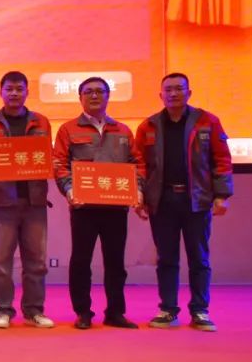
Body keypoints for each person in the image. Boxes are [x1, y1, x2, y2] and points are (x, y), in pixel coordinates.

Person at [134, 73, 233, 332]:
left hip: (196, 200)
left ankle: (200, 310)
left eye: (179, 89)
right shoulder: (149, 126)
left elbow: (222, 160)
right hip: (162, 200)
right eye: (168, 90)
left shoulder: (207, 121)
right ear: (161, 95)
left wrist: (221, 195)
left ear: (189, 93)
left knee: (199, 258)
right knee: (166, 258)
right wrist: (139, 195)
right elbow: (140, 165)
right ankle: (168, 310)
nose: (173, 94)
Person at [52, 76, 144, 330]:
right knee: (81, 262)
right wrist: (69, 189)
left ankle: (115, 312)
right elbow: (59, 164)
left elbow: (137, 164)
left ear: (108, 96)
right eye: (89, 92)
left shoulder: (122, 130)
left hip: (116, 207)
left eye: (100, 91)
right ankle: (83, 312)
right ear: (80, 97)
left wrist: (138, 190)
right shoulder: (68, 130)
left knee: (116, 262)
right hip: (84, 208)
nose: (94, 96)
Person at [0, 71, 54, 329]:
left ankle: (34, 310)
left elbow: (47, 156)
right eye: (9, 89)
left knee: (36, 262)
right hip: (2, 202)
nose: (14, 93)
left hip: (35, 202)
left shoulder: (41, 122)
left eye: (19, 89)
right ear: (1, 92)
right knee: (1, 262)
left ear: (27, 92)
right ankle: (3, 310)